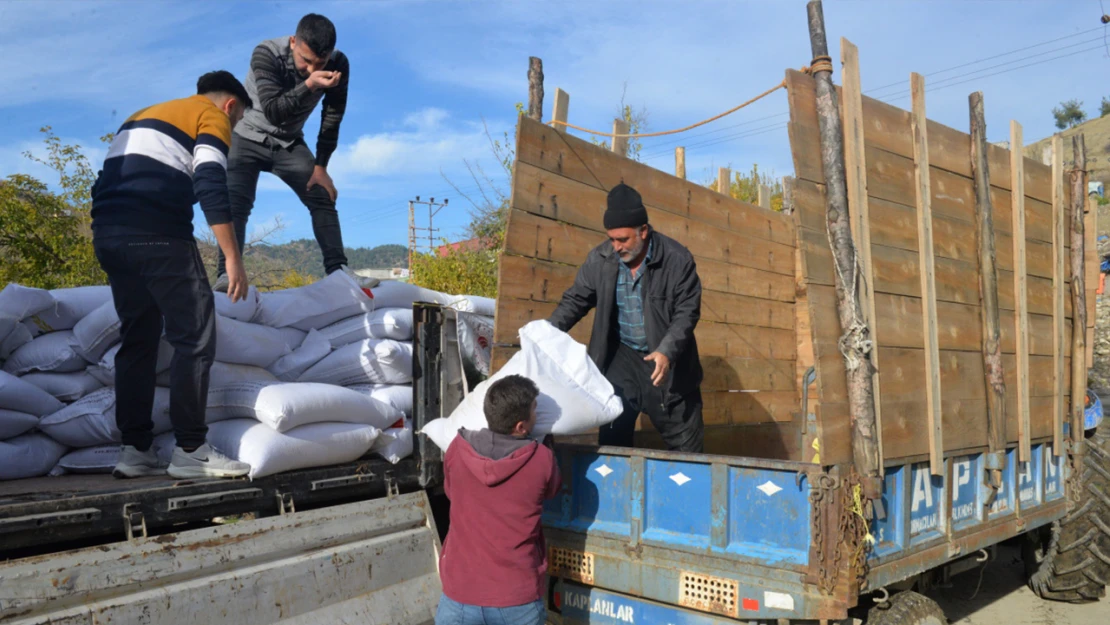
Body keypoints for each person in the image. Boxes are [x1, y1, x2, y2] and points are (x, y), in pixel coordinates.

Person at [91, 71, 253, 480]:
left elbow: (102, 182)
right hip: (158, 235)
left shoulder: (141, 115)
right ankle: (191, 450)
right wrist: (232, 257)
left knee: (138, 339)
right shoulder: (210, 115)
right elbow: (212, 182)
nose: (231, 130)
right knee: (194, 337)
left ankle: (135, 450)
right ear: (230, 105)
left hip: (109, 236)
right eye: (236, 122)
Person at [213, 13, 374, 289]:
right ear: (292, 42)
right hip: (247, 135)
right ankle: (225, 274)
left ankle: (339, 271)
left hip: (288, 142)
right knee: (235, 202)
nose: (312, 69)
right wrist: (311, 84)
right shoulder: (266, 53)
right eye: (305, 60)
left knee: (322, 194)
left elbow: (333, 116)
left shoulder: (339, 65)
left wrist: (321, 166)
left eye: (319, 63)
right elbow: (274, 111)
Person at [548, 183, 705, 453]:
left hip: (668, 366)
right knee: (612, 441)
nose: (616, 246)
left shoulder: (677, 260)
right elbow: (576, 300)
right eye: (612, 239)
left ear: (643, 231)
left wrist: (666, 351)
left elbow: (686, 314)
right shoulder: (600, 259)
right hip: (622, 359)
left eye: (623, 239)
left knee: (687, 451)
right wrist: (547, 331)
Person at [437, 375, 561, 625]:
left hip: (459, 598)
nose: (537, 416)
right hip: (516, 601)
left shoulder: (456, 450)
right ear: (521, 427)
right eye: (534, 411)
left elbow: (451, 492)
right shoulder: (542, 460)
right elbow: (552, 491)